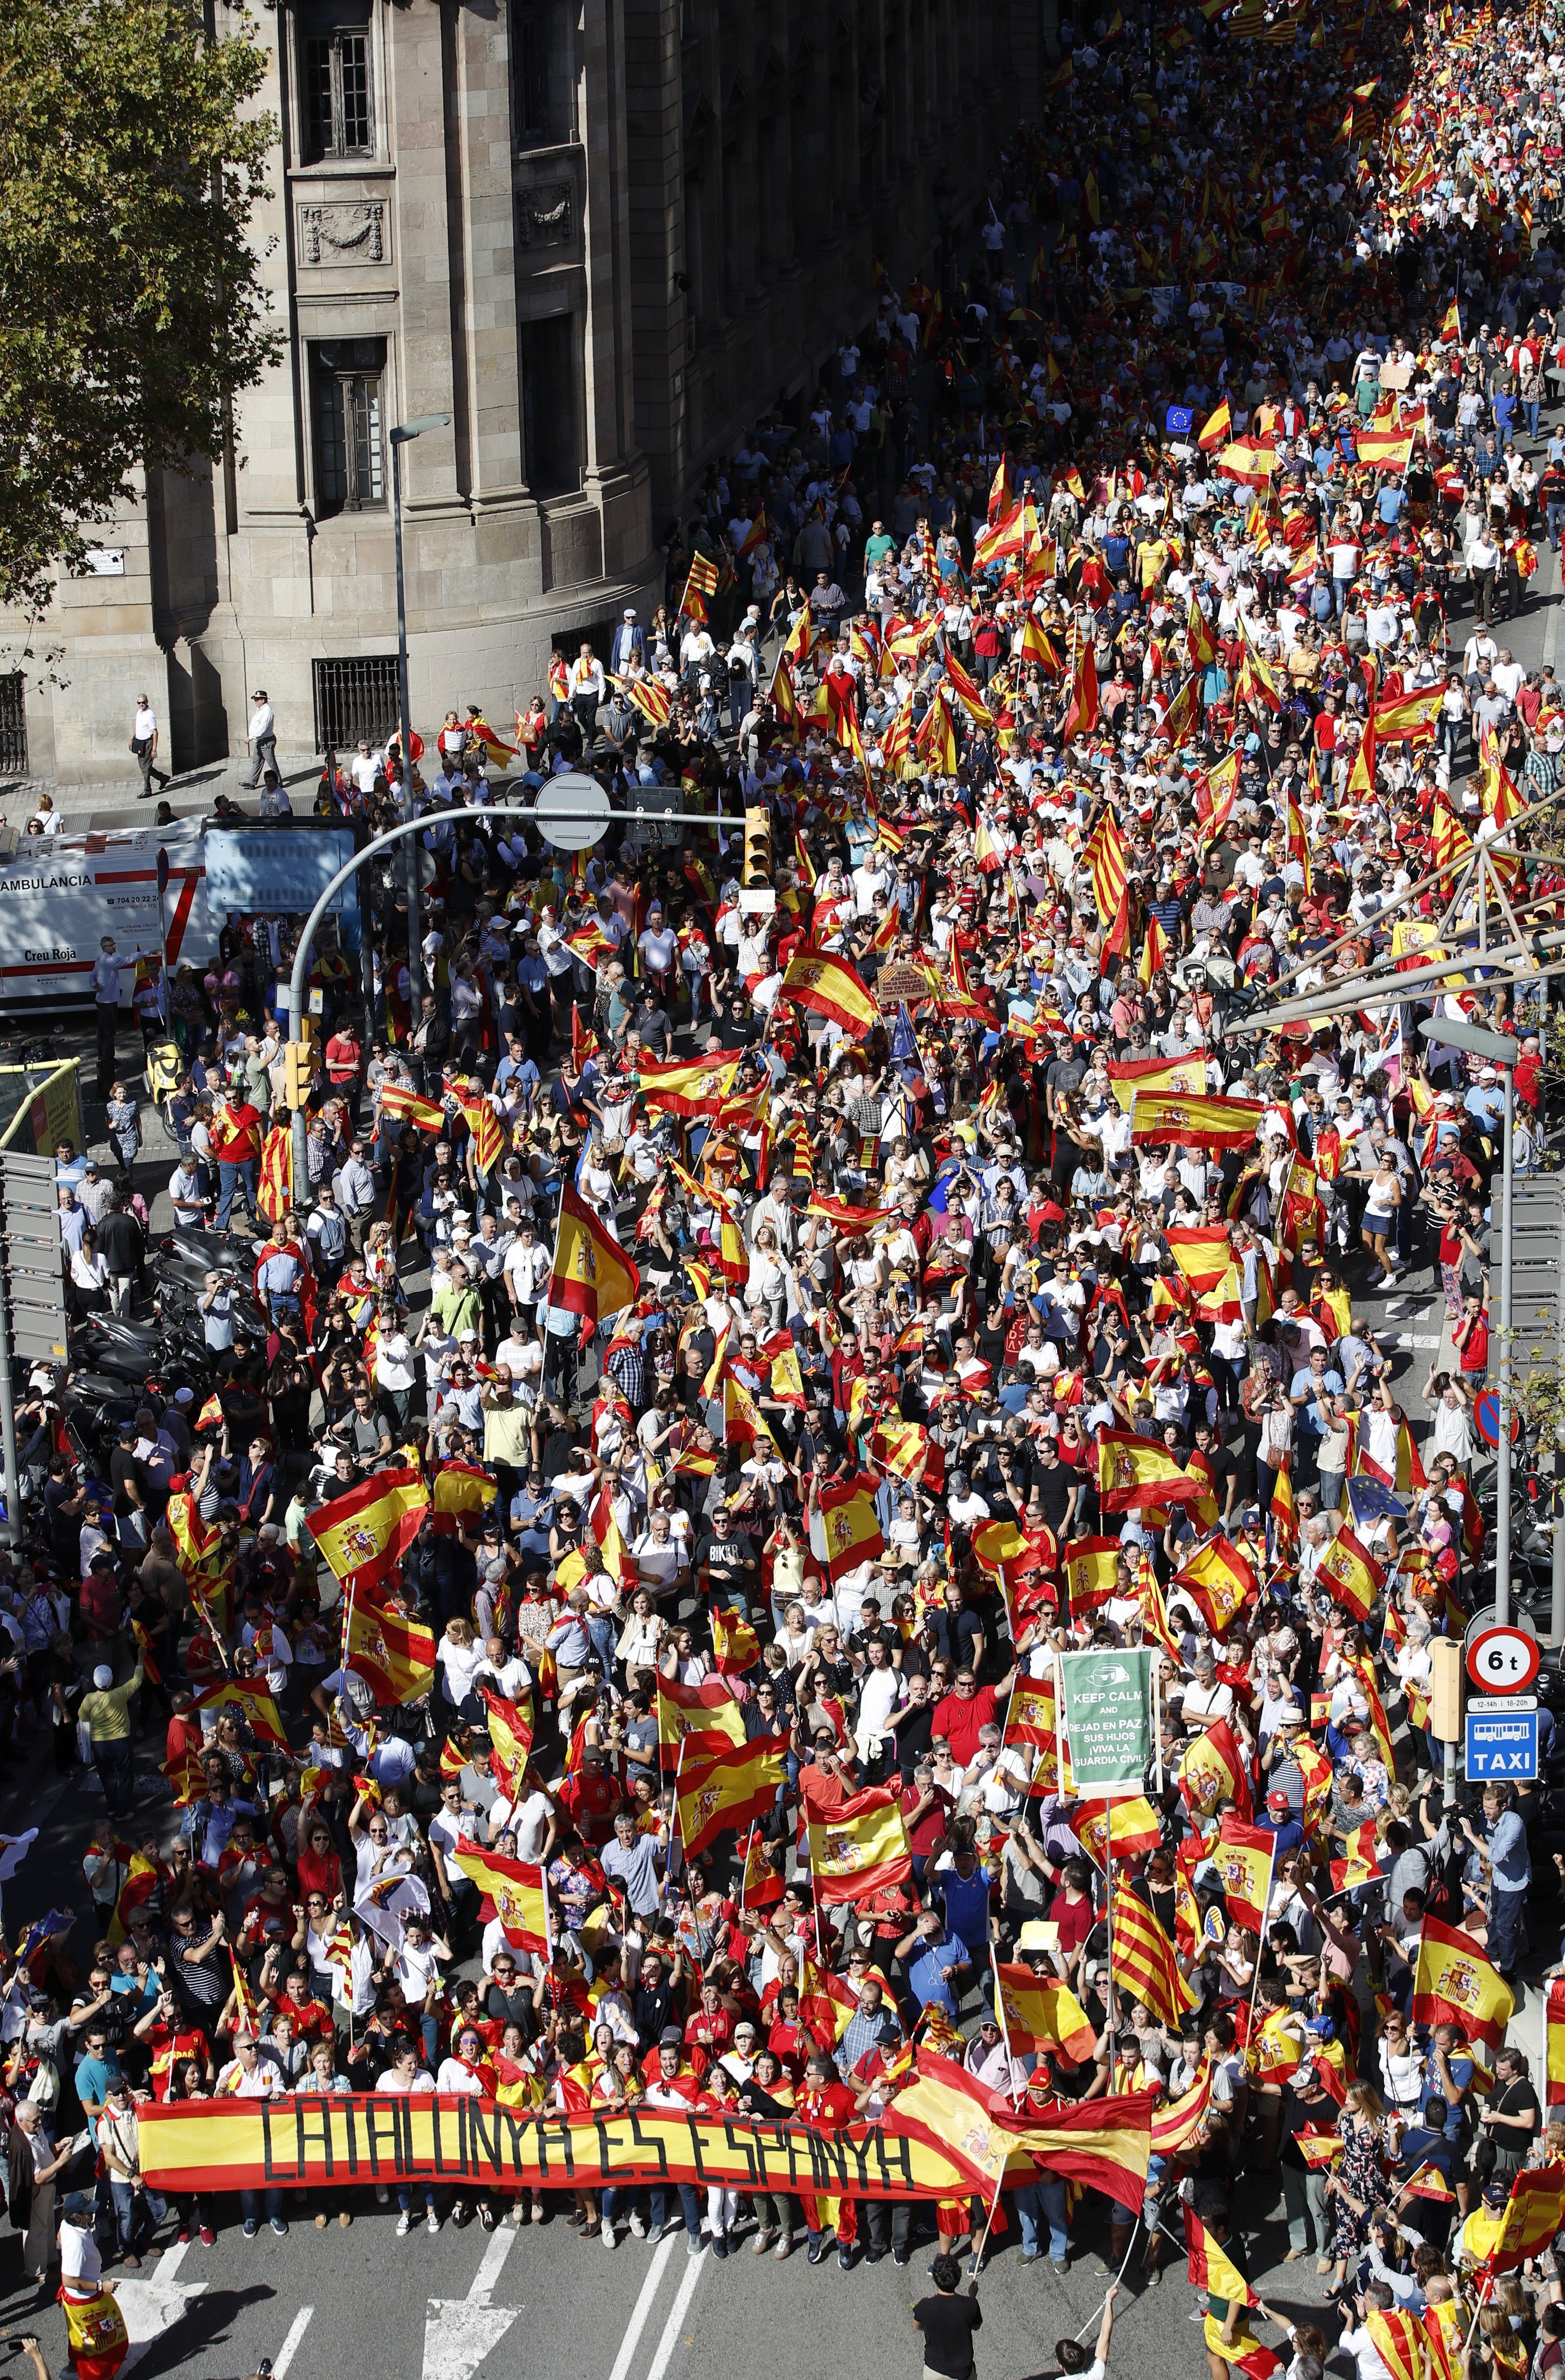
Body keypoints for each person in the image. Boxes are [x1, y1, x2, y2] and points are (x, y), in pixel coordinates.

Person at [129, 693, 170, 798]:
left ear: (147, 702)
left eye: (143, 702)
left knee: (145, 769)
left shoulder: (150, 715)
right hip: (139, 743)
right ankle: (163, 778)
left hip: (148, 744)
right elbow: (136, 727)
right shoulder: (139, 713)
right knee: (145, 767)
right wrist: (131, 739)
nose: (142, 704)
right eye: (139, 703)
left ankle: (147, 790)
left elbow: (155, 733)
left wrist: (154, 750)